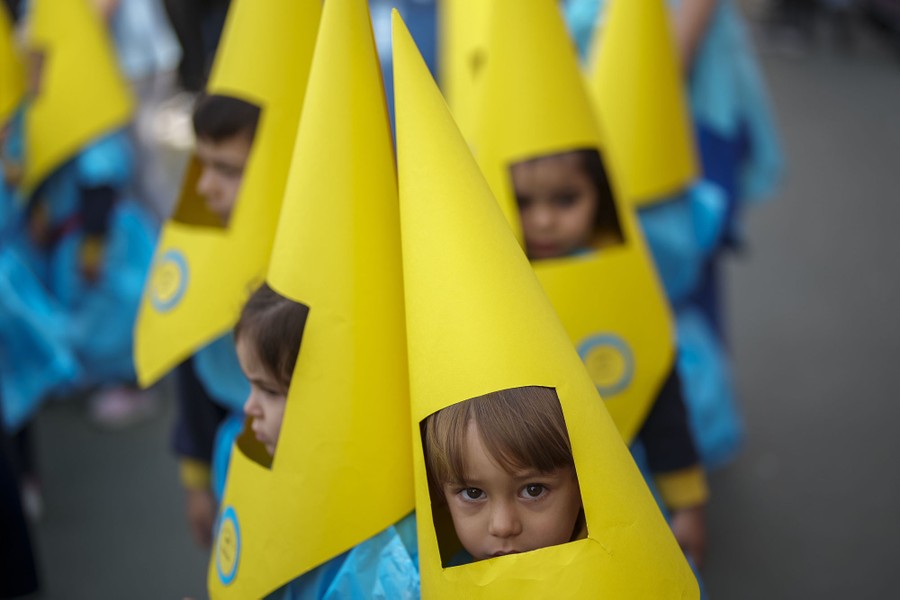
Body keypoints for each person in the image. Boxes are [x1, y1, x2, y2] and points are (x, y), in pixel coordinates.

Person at [510, 148, 709, 569]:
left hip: (624, 480)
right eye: (523, 202)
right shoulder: (487, 278)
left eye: (565, 199)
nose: (543, 220)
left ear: (599, 193)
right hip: (521, 499)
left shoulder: (622, 279)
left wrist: (686, 503)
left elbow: (661, 400)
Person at [227, 283, 419, 600]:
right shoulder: (264, 475)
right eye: (251, 386)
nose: (250, 408)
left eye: (271, 391)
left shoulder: (391, 550)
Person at [171, 92, 259, 547]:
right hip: (235, 459)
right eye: (202, 164)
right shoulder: (202, 260)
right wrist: (196, 478)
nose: (205, 187)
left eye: (227, 170)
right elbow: (190, 376)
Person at [423, 386, 584, 564]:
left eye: (533, 490)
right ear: (442, 498)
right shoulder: (438, 589)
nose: (503, 526)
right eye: (473, 493)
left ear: (583, 488)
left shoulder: (610, 576)